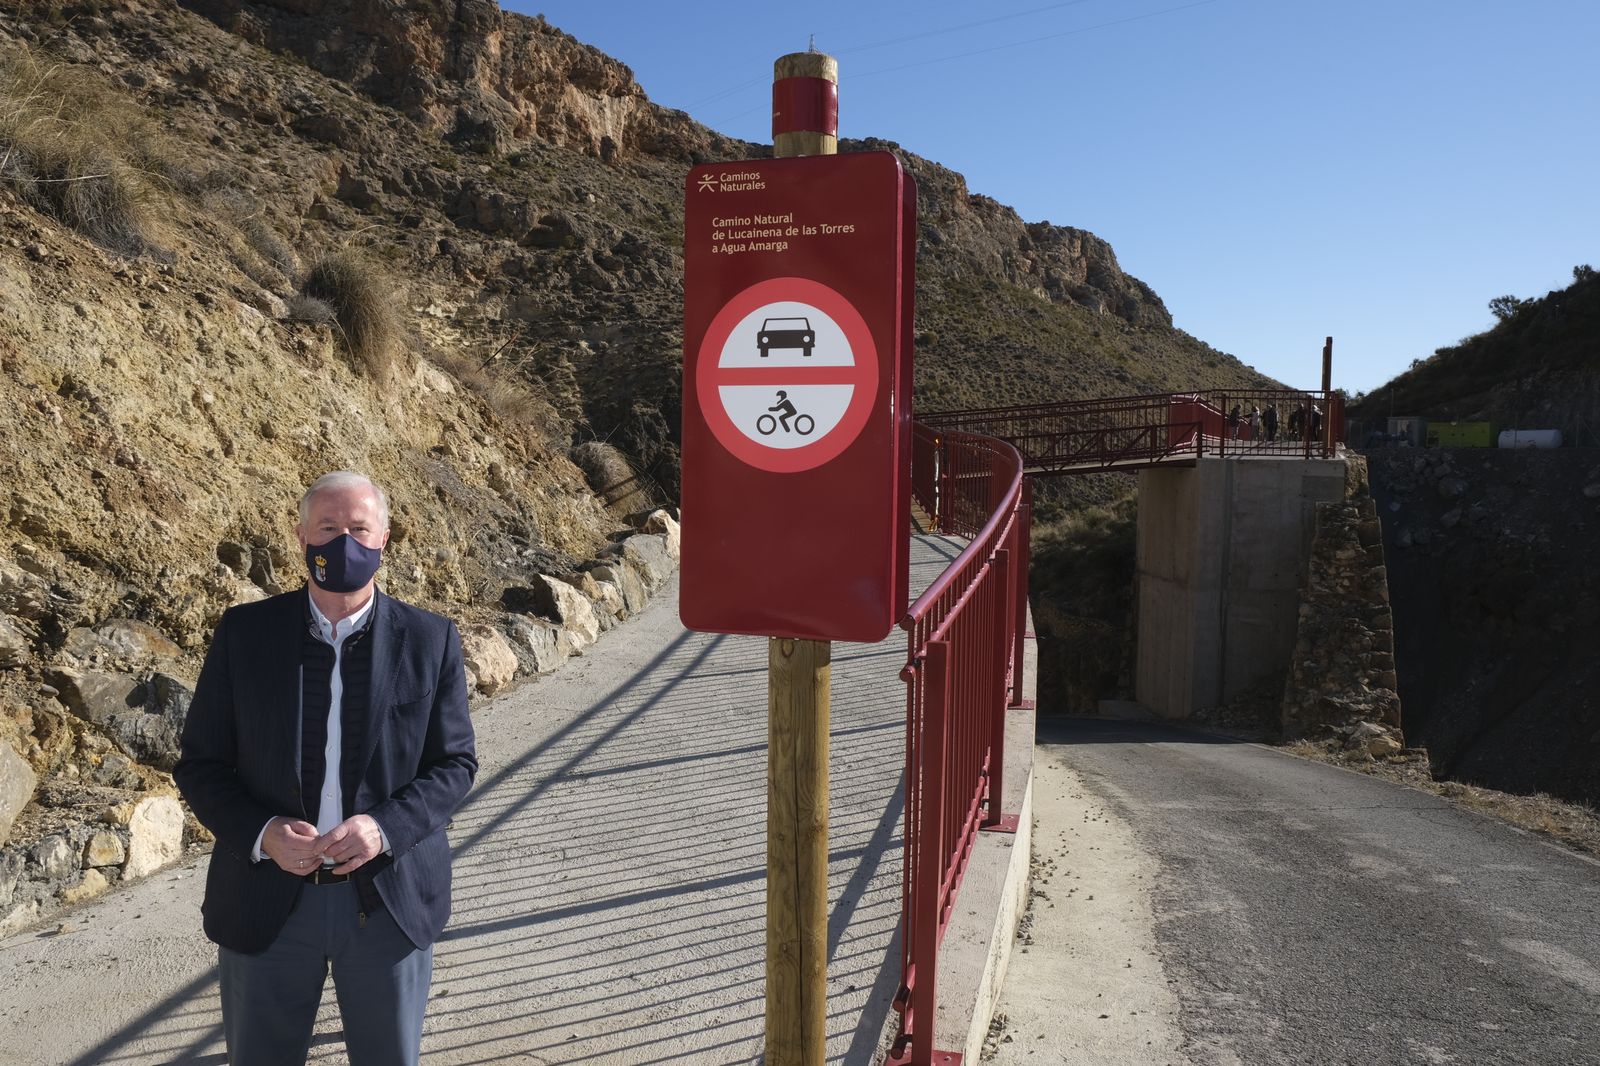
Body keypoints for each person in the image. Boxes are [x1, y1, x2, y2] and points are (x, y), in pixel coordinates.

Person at [175, 471, 477, 1066]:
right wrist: (263, 834)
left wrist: (383, 827)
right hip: (267, 899)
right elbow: (201, 765)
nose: (345, 543)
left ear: (384, 537)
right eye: (329, 528)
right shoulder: (244, 633)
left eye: (359, 529)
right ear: (301, 536)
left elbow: (455, 764)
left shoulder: (430, 639)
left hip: (388, 902)